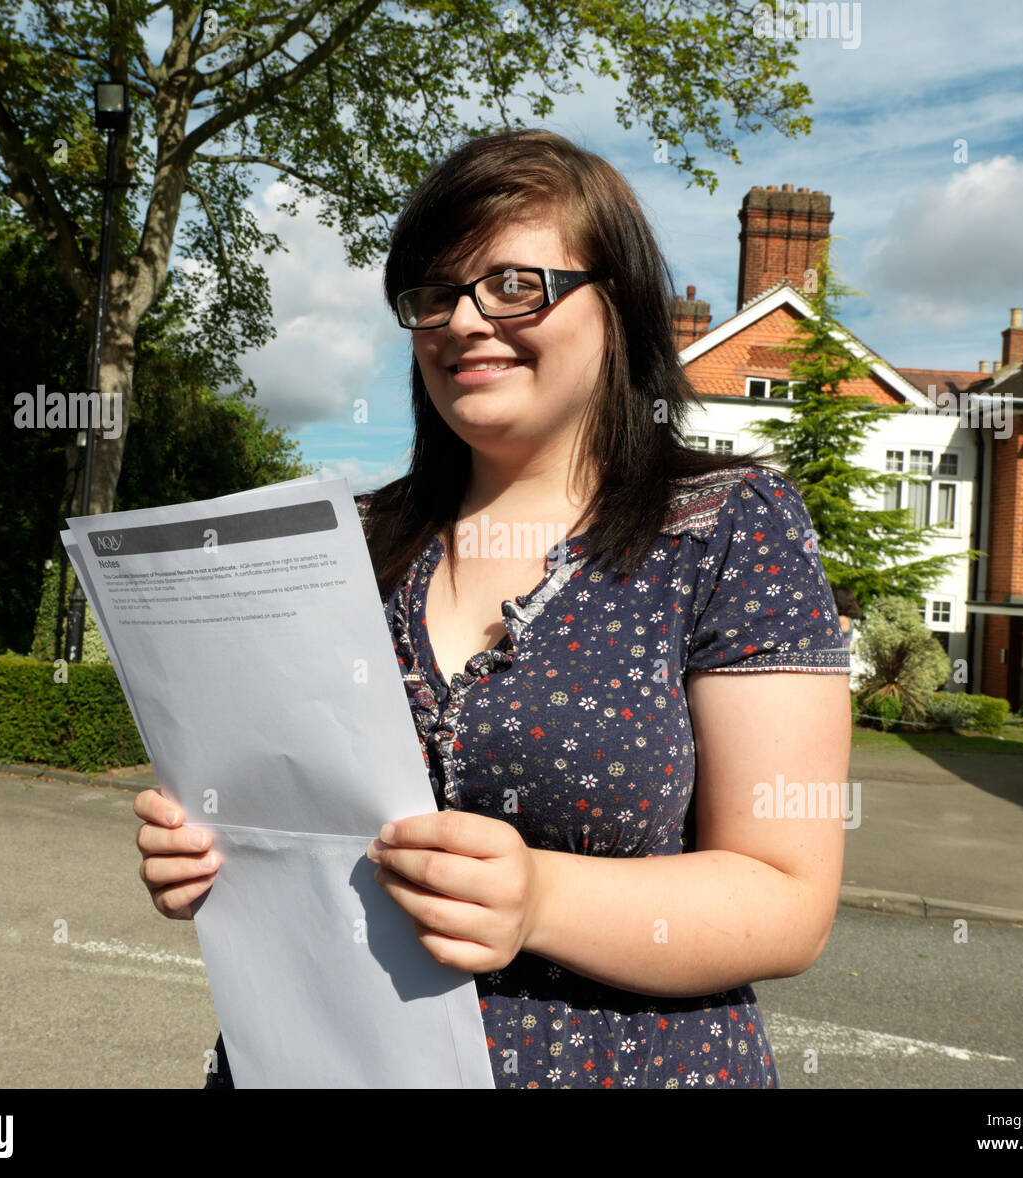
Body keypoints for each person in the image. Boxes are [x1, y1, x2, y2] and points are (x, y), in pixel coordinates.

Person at [134, 128, 852, 1089]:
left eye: (516, 285)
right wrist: (212, 854)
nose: (465, 322)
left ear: (621, 307)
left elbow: (787, 898)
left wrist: (541, 897)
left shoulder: (727, 528)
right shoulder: (343, 545)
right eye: (436, 295)